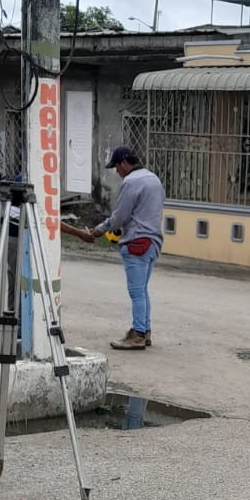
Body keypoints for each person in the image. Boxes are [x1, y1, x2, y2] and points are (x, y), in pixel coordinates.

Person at [87, 146, 165, 350]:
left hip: (137, 241)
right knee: (143, 290)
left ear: (123, 163)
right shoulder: (153, 179)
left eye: (116, 167)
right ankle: (144, 330)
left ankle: (138, 334)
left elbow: (120, 215)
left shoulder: (131, 182)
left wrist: (100, 229)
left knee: (136, 292)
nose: (117, 172)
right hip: (153, 241)